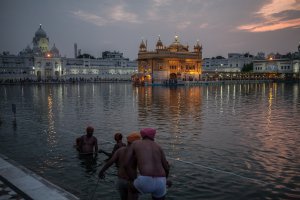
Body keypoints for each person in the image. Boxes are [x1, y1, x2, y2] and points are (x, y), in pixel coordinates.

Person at [125, 128, 170, 200]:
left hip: (145, 179)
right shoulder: (158, 147)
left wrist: (133, 179)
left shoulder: (135, 143)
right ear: (153, 136)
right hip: (161, 181)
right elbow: (167, 168)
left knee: (130, 188)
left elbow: (126, 164)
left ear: (142, 135)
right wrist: (165, 180)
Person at [98, 132, 141, 200]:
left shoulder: (120, 150)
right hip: (131, 181)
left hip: (120, 181)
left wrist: (101, 171)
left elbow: (110, 161)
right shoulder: (137, 153)